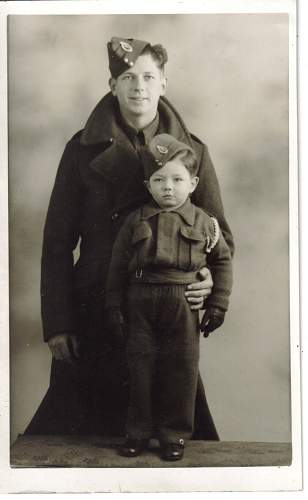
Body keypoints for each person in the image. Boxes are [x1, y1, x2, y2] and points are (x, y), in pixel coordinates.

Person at [24, 37, 234, 439]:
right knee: (79, 441)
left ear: (163, 84)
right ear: (112, 84)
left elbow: (217, 233)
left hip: (166, 311)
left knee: (171, 434)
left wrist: (207, 277)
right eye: (127, 77)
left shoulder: (194, 153)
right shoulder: (80, 150)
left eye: (148, 77)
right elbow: (56, 244)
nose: (138, 86)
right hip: (95, 308)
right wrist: (58, 323)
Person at [105, 133, 233, 460]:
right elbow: (118, 266)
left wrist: (217, 305)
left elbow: (221, 262)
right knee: (140, 369)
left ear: (193, 183)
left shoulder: (206, 224)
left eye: (177, 179)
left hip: (183, 305)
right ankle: (137, 432)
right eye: (159, 180)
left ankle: (174, 435)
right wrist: (114, 307)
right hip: (140, 302)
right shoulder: (135, 221)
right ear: (148, 184)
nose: (168, 187)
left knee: (182, 370)